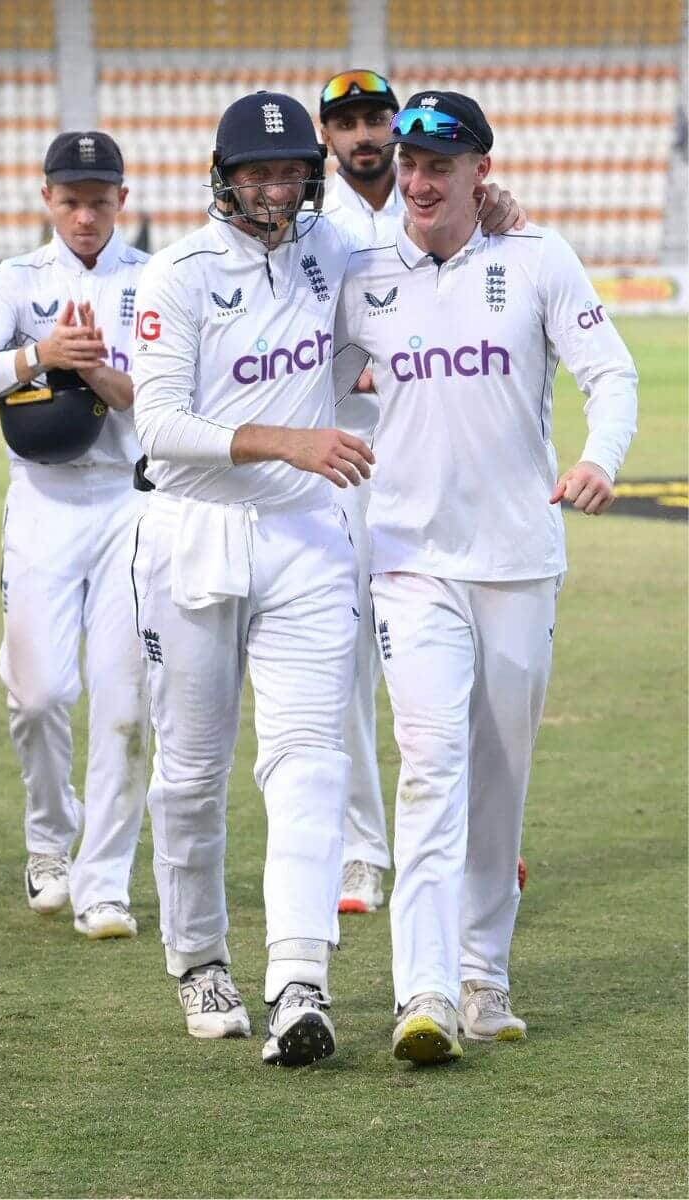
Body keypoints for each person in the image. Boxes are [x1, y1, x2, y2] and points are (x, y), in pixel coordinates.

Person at [131, 91, 522, 1067]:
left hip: (305, 537)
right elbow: (159, 430)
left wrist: (499, 219)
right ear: (223, 178)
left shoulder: (334, 252)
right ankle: (199, 957)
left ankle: (298, 978)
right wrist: (284, 438)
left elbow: (422, 269)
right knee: (189, 773)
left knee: (310, 759)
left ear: (311, 177)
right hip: (195, 533)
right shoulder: (174, 278)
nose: (274, 190)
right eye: (256, 173)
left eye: (289, 173)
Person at [334, 91, 637, 1063]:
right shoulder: (363, 276)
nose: (418, 182)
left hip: (517, 562)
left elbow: (611, 373)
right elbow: (299, 358)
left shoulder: (536, 258)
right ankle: (420, 993)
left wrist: (603, 459)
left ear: (479, 172)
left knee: (499, 783)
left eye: (440, 166)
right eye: (409, 166)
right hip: (411, 564)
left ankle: (484, 978)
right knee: (428, 771)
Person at [0, 130, 151, 940]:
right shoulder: (16, 280)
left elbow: (163, 396)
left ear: (122, 201)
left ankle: (104, 881)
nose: (86, 215)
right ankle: (48, 839)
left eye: (100, 200)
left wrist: (97, 371)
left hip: (130, 503)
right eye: (70, 200)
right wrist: (40, 354)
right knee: (36, 695)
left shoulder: (155, 279)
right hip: (42, 501)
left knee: (125, 702)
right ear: (46, 199)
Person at [317, 68, 403, 913]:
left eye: (375, 116)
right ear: (326, 135)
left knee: (444, 654)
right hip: (343, 458)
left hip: (428, 458)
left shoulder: (435, 204)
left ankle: (464, 839)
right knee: (344, 657)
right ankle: (360, 852)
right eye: (346, 121)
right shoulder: (314, 225)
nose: (364, 133)